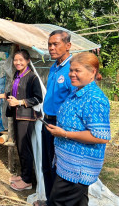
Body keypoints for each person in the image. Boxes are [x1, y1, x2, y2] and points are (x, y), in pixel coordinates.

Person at [46, 52, 110, 206]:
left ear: (93, 72)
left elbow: (101, 136)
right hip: (67, 163)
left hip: (77, 168)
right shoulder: (77, 92)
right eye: (71, 70)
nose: (72, 74)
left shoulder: (94, 99)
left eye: (77, 71)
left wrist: (64, 133)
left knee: (56, 202)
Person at [0, 49, 43, 191]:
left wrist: (20, 102)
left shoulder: (32, 78)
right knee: (20, 146)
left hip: (26, 117)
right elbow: (14, 92)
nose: (18, 62)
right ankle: (24, 175)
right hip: (17, 115)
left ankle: (28, 181)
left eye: (21, 60)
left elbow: (38, 98)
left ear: (28, 61)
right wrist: (1, 96)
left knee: (24, 148)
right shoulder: (18, 75)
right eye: (15, 60)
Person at [38, 30, 76, 206]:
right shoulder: (54, 66)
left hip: (60, 125)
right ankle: (50, 201)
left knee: (57, 167)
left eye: (56, 44)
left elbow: (75, 101)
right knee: (46, 164)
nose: (51, 48)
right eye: (49, 44)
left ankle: (57, 203)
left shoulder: (72, 69)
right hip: (47, 120)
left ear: (68, 45)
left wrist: (67, 129)